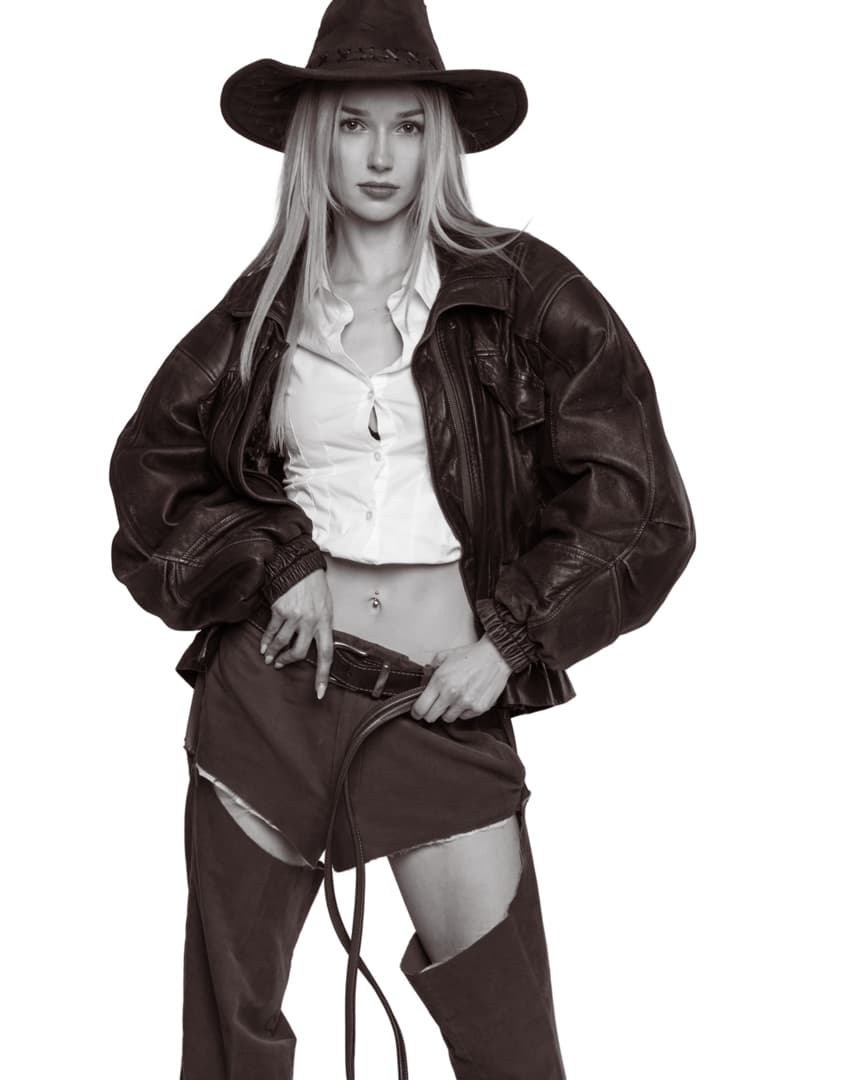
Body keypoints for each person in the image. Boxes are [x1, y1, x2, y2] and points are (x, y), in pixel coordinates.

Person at [108, 1, 696, 1078]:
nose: (380, 155)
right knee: (232, 1045)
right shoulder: (259, 315)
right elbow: (151, 484)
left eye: (408, 125)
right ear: (314, 139)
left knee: (511, 1050)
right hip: (269, 699)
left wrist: (511, 642)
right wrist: (277, 562)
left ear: (440, 141)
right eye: (352, 124)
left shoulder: (528, 293)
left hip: (440, 700)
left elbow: (640, 506)